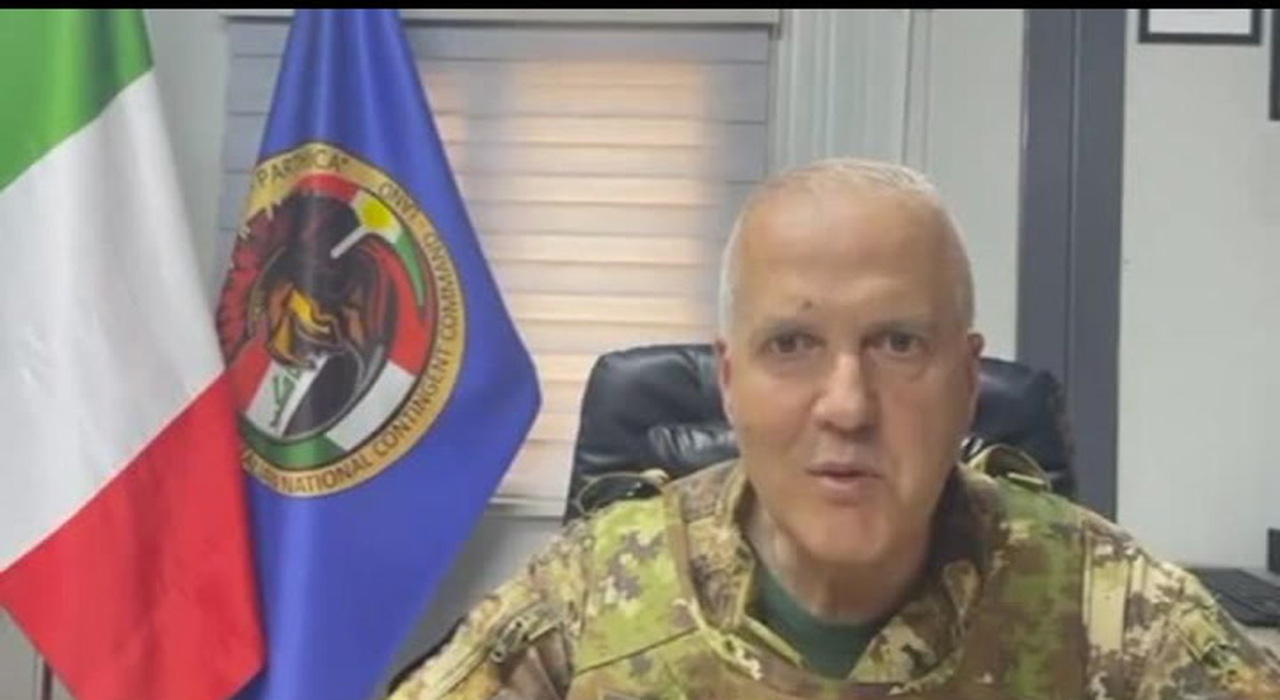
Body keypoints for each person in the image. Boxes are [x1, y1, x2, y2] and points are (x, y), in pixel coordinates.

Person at [387, 158, 1280, 699]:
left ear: (967, 381)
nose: (847, 405)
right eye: (792, 345)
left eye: (898, 343)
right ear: (729, 381)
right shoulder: (588, 598)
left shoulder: (1109, 605)